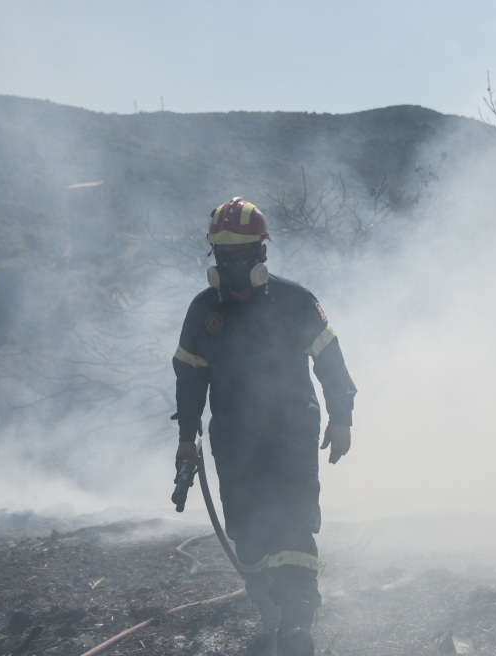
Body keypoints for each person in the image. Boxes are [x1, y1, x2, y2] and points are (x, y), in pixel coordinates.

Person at [172, 197, 356, 656]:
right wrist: (186, 437)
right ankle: (268, 606)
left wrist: (341, 418)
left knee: (293, 524)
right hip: (234, 440)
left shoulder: (297, 302)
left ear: (262, 254)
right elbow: (189, 380)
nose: (231, 265)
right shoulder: (202, 313)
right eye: (222, 255)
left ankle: (298, 623)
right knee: (247, 531)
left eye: (240, 254)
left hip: (291, 432)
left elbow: (331, 363)